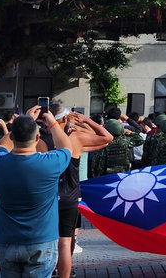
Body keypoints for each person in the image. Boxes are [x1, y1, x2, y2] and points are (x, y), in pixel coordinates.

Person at [0, 107, 71, 277]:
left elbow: (1, 145)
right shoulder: (50, 164)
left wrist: (24, 121)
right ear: (37, 137)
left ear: (12, 136)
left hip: (7, 240)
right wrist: (53, 123)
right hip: (41, 240)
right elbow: (66, 147)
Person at [41, 105, 113, 278]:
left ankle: (47, 272)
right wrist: (86, 121)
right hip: (70, 196)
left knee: (45, 241)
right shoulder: (76, 139)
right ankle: (64, 274)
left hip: (47, 198)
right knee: (66, 242)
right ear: (65, 120)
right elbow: (107, 137)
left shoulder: (39, 140)